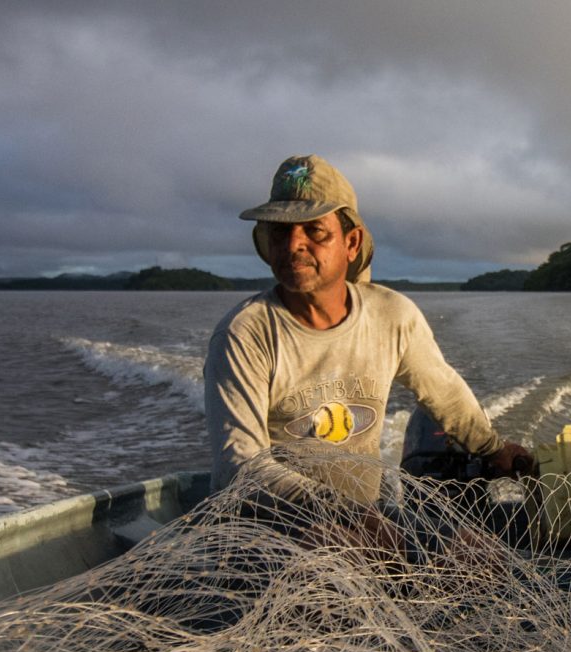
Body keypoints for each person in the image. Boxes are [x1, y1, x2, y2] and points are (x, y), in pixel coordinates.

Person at [204, 154, 532, 507]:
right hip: (275, 532)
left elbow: (444, 392)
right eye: (280, 232)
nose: (293, 244)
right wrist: (341, 514)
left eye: (314, 231)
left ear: (351, 243)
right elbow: (241, 468)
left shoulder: (391, 317)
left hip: (366, 522)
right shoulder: (244, 335)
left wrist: (493, 449)